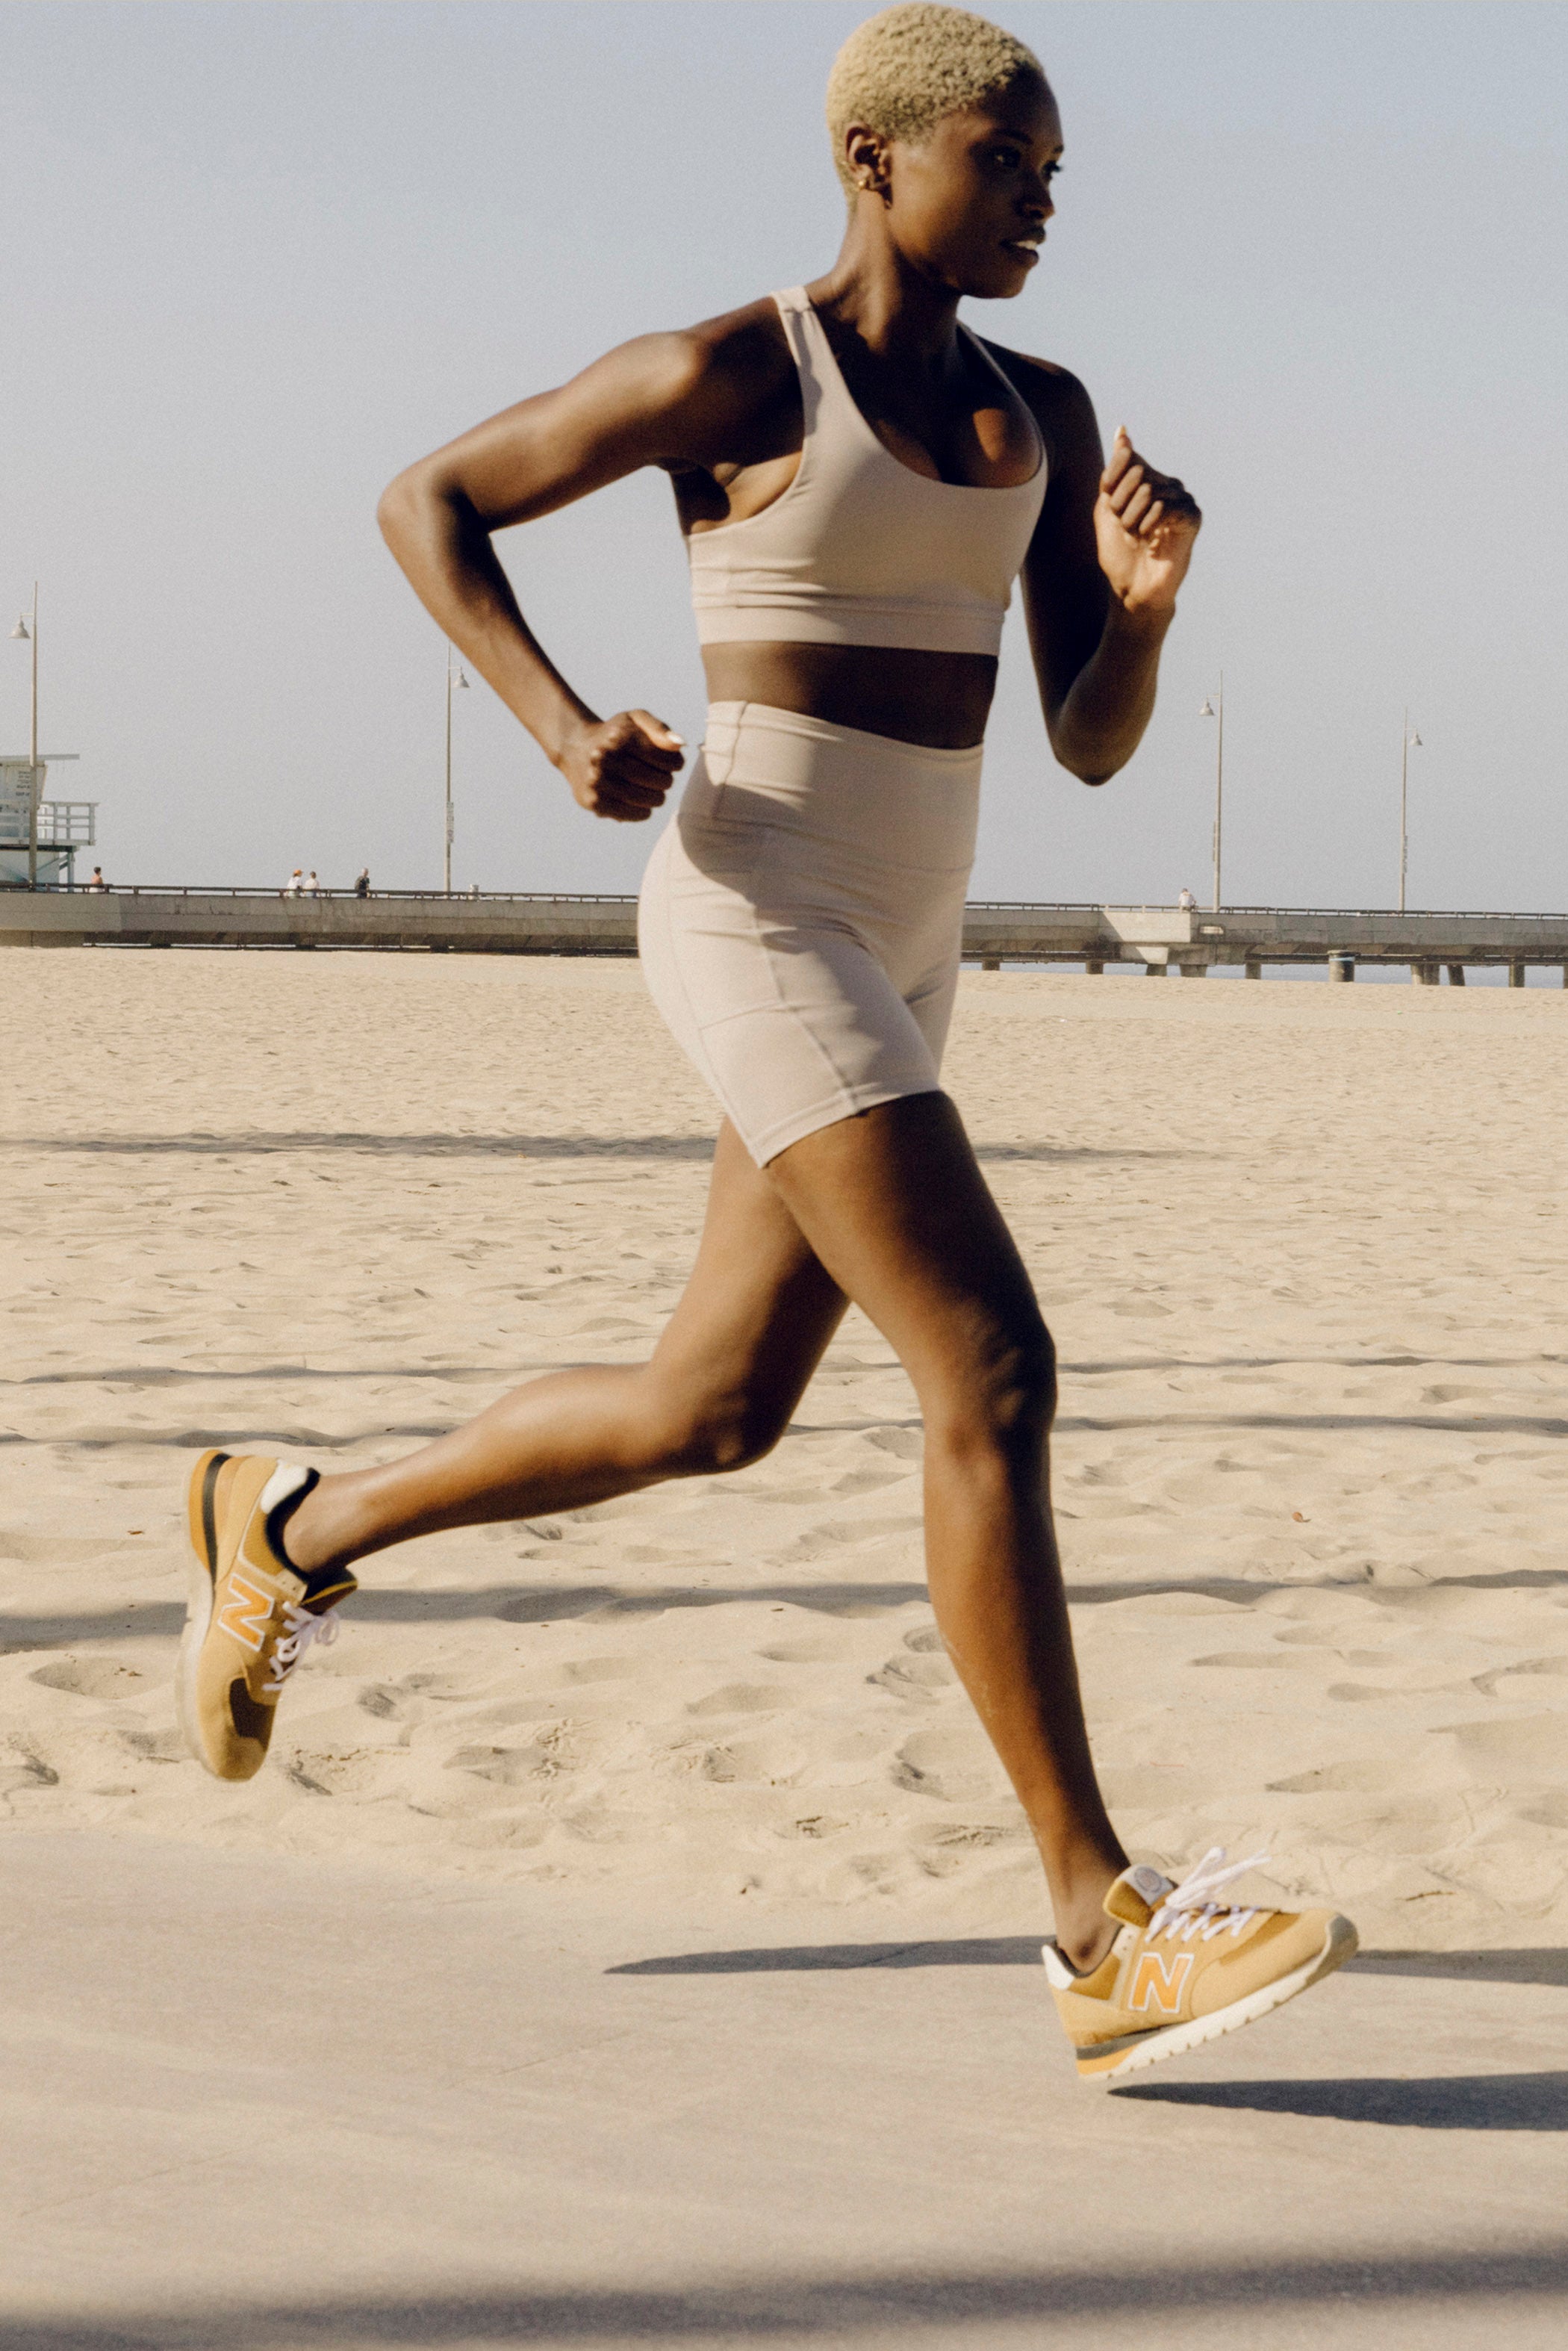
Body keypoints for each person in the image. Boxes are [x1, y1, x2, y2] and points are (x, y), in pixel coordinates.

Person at [177, 3, 1354, 2080]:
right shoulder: (736, 373)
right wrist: (562, 730)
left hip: (906, 943)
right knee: (990, 1365)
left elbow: (1083, 742)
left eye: (1055, 172)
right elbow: (429, 499)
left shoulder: (1046, 415)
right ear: (874, 161)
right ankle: (1095, 1918)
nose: (1042, 202)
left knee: (710, 1409)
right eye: (1006, 162)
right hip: (755, 908)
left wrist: (1146, 608)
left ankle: (286, 1534)